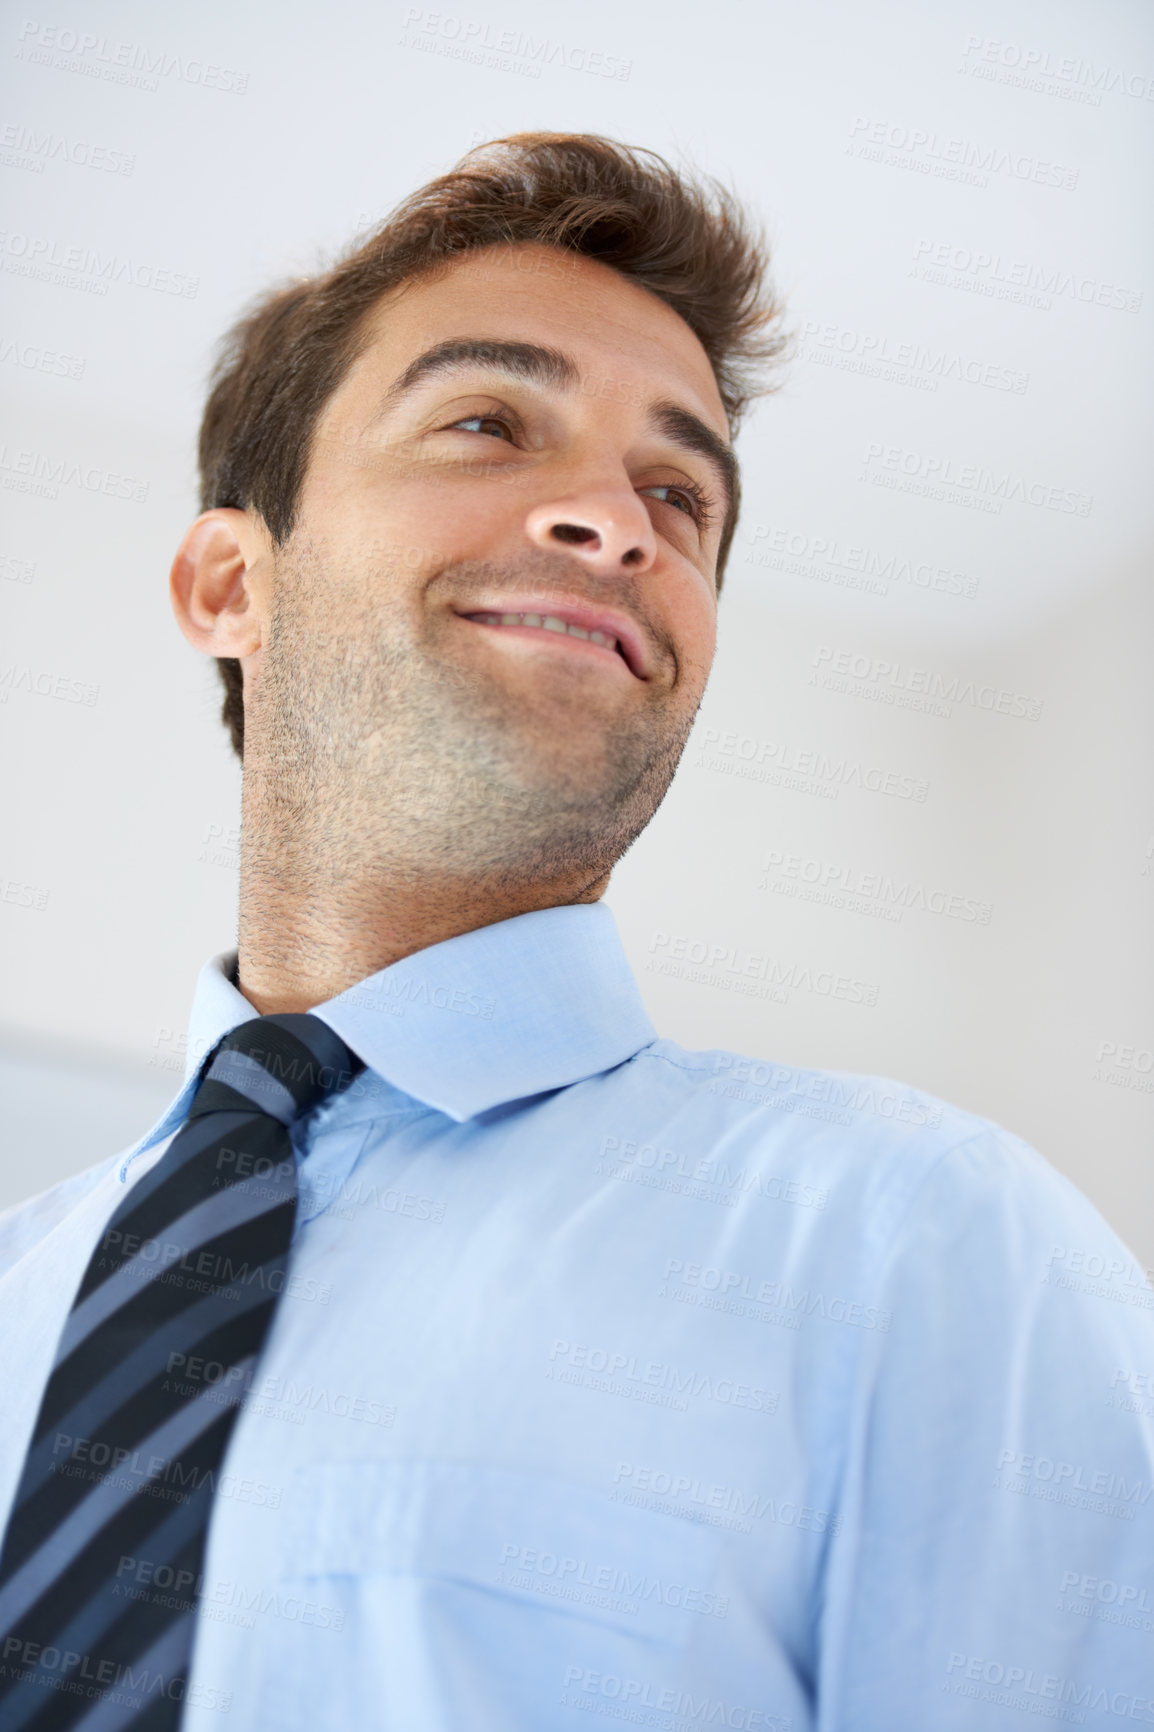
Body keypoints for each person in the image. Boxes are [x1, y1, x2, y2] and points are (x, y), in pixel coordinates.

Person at [0, 132, 1150, 1732]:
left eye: (677, 492)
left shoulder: (925, 1250)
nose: (618, 521)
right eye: (486, 421)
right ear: (225, 580)